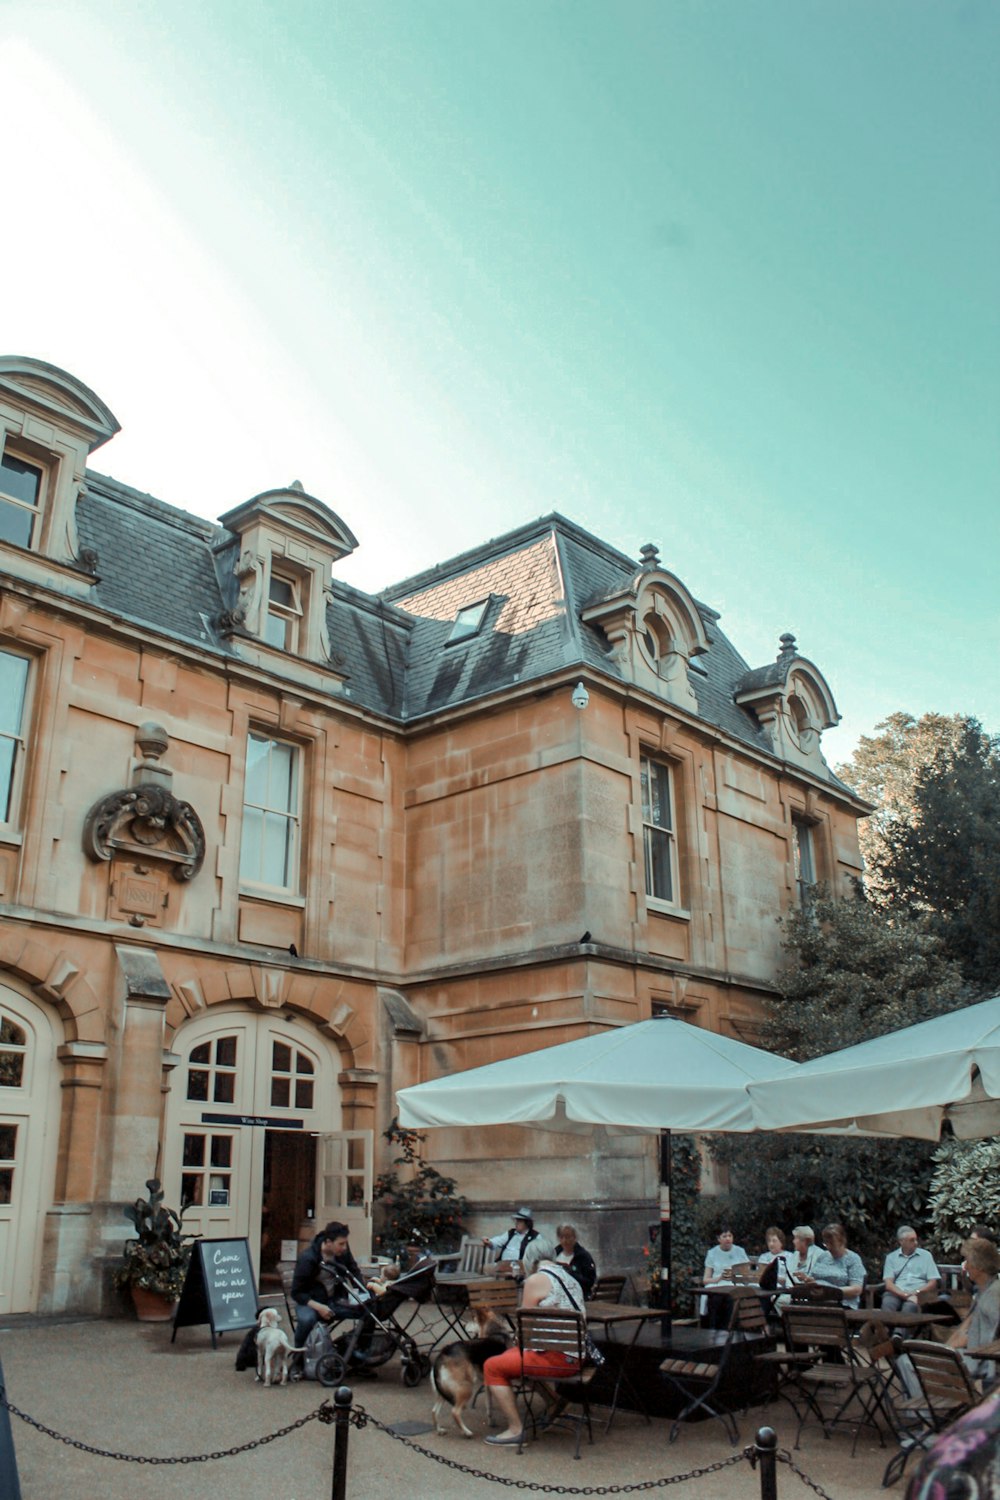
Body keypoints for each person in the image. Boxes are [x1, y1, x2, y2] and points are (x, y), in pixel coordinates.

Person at [482, 1240, 588, 1445]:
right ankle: (555, 1402)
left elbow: (525, 1331)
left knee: (492, 1367)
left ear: (529, 1259)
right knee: (508, 1358)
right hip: (576, 1356)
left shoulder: (535, 1280)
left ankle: (515, 1430)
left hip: (556, 1358)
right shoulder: (570, 1278)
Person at [948, 1235, 1000, 1384]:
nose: (965, 1266)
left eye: (968, 1261)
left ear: (980, 1267)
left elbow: (991, 1335)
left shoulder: (992, 1295)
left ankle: (924, 1407)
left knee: (907, 1363)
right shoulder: (985, 1290)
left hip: (979, 1363)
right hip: (975, 1358)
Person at [881, 1225, 940, 1314]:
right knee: (887, 1303)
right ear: (901, 1242)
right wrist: (904, 1295)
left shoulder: (926, 1256)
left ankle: (899, 1328)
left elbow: (933, 1282)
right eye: (912, 1240)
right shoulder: (891, 1258)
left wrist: (916, 1292)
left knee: (909, 1307)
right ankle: (885, 1328)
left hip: (919, 1294)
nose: (916, 1243)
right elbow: (889, 1284)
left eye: (916, 1239)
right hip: (897, 1293)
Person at [700, 1226, 750, 1325]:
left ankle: (728, 1330)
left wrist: (736, 1276)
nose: (728, 1239)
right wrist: (718, 1278)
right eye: (724, 1236)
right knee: (714, 1299)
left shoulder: (740, 1251)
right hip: (717, 1285)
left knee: (731, 1299)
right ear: (719, 1239)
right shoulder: (712, 1253)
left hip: (734, 1285)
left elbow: (747, 1274)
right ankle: (712, 1329)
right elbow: (705, 1280)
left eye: (730, 1236)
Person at [808, 1222, 866, 1308]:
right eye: (826, 1243)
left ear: (842, 1241)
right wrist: (808, 1280)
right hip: (818, 1301)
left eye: (832, 1243)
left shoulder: (853, 1259)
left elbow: (856, 1290)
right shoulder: (823, 1256)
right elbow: (813, 1278)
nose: (828, 1247)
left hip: (842, 1303)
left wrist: (829, 1292)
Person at [554, 1223, 597, 1299]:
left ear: (574, 1238)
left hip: (579, 1296)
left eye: (567, 1237)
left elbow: (590, 1281)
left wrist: (571, 1274)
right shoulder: (554, 1254)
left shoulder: (583, 1256)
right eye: (561, 1237)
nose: (564, 1240)